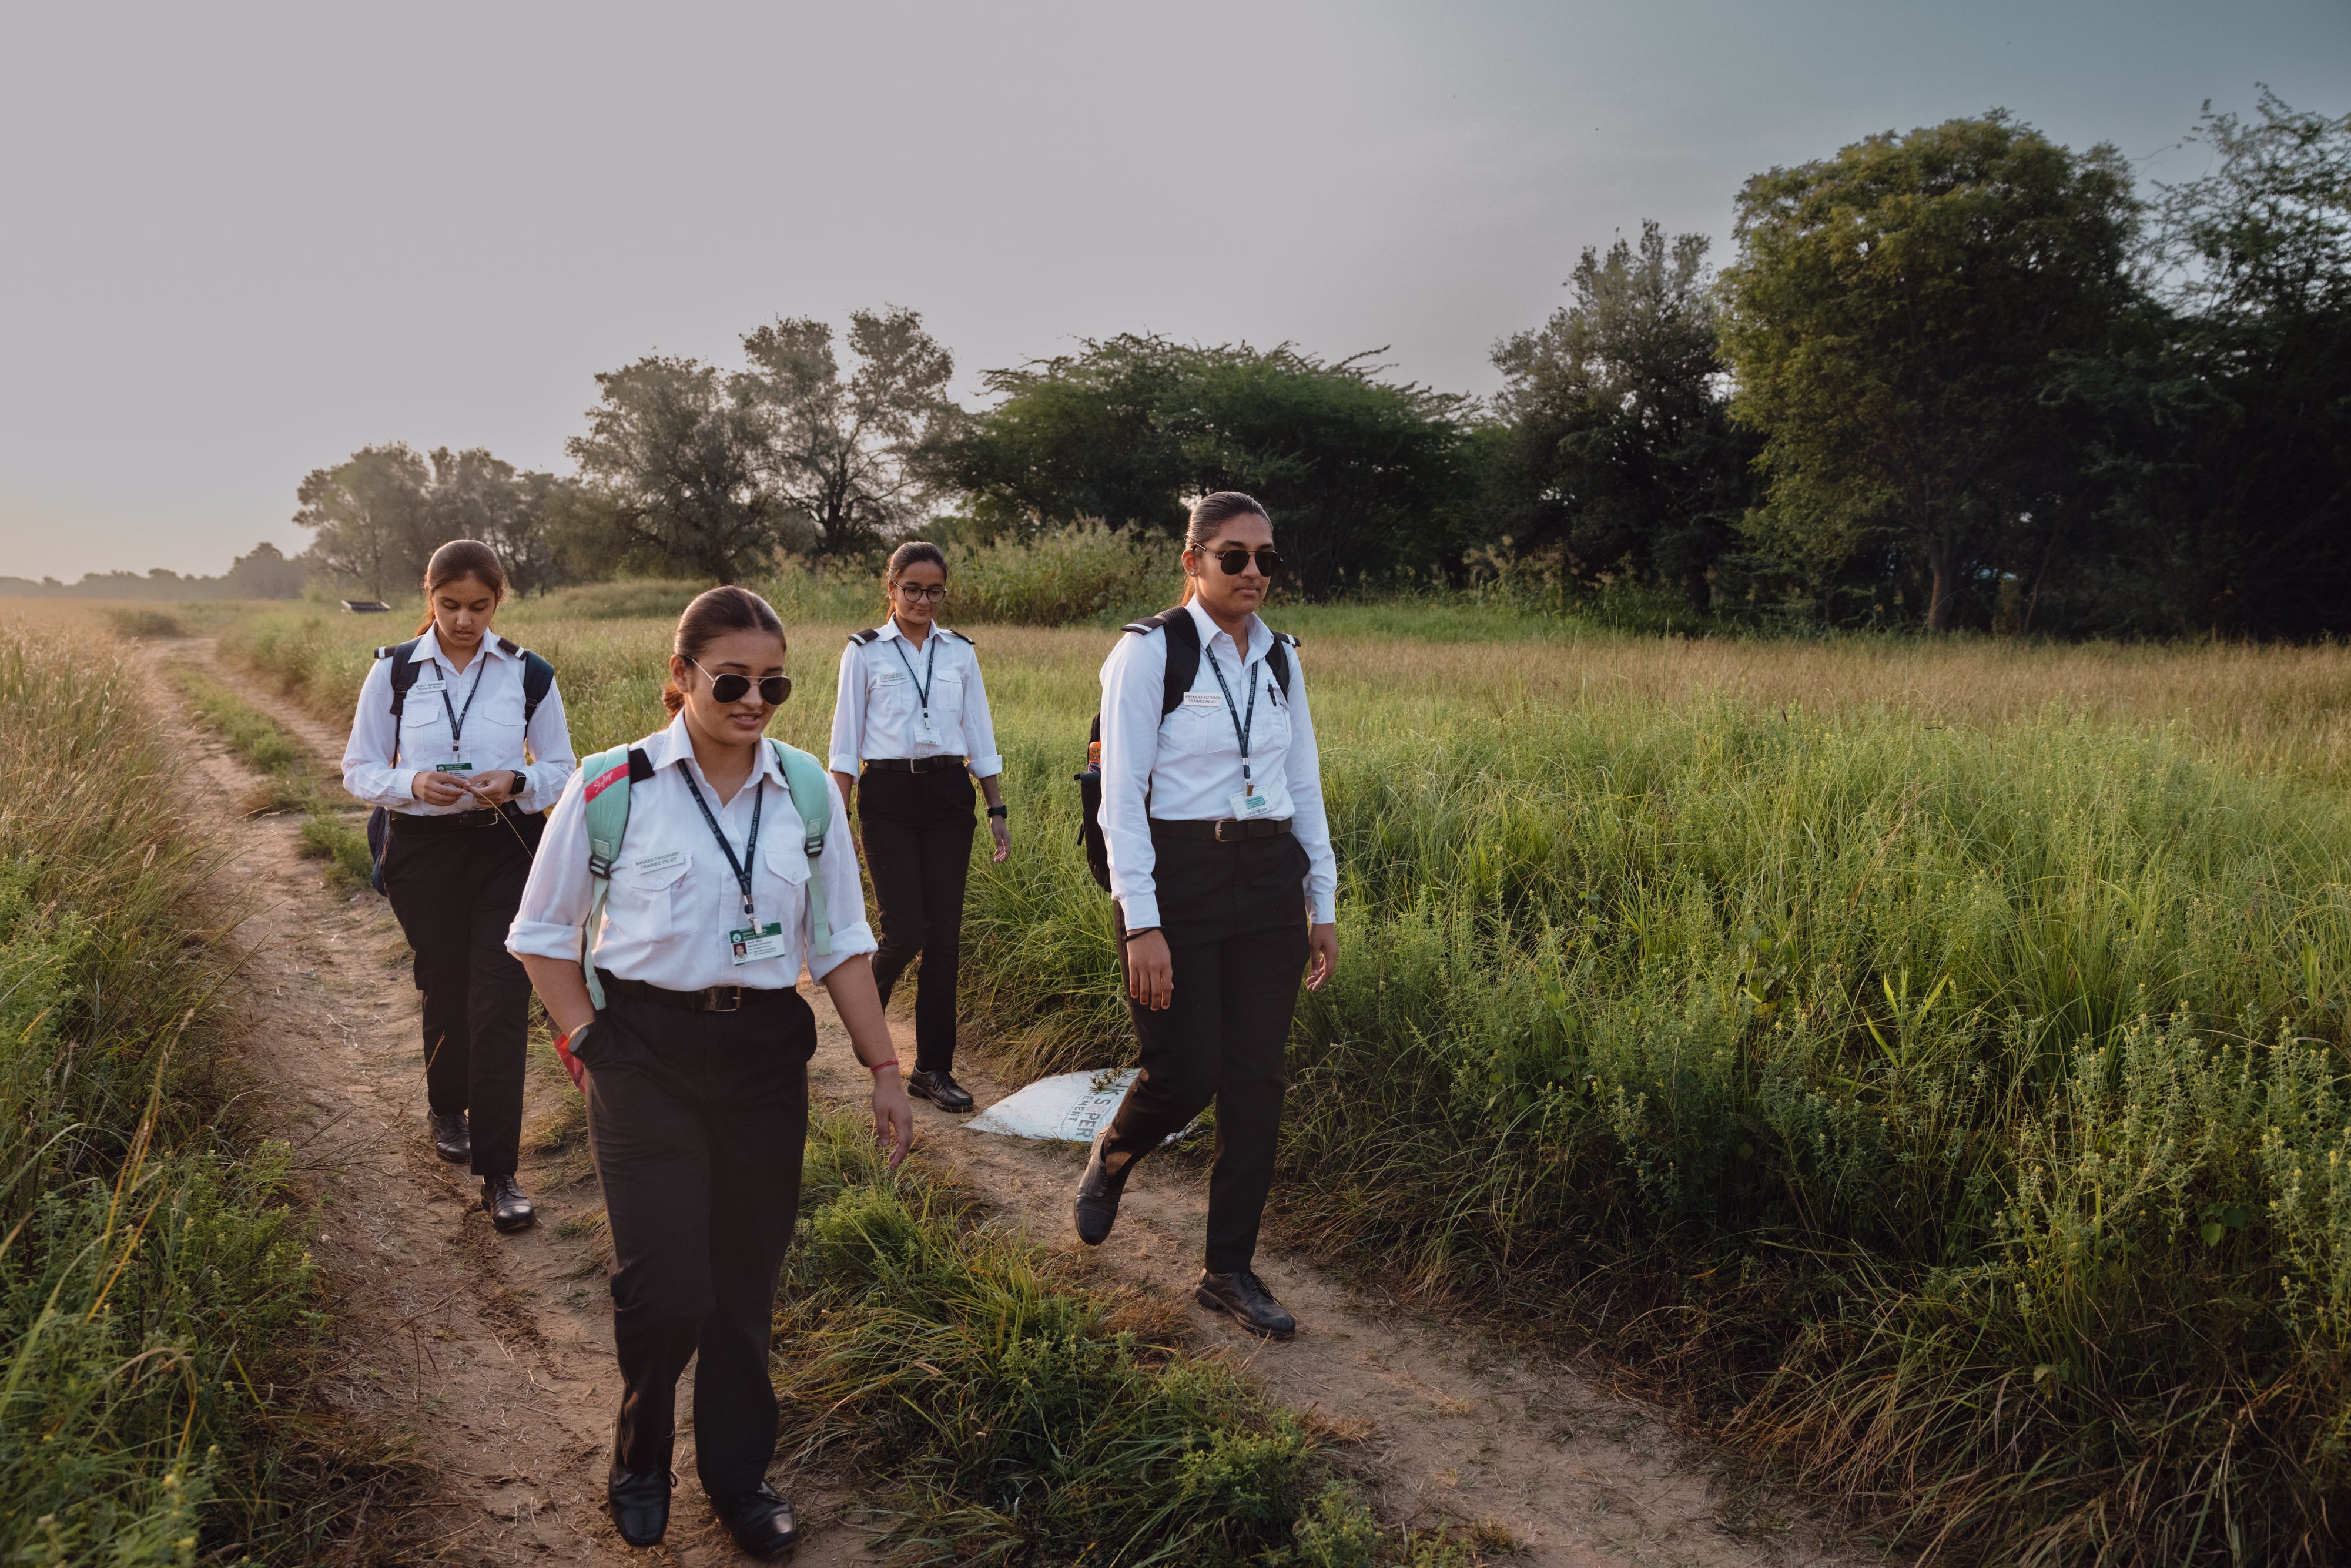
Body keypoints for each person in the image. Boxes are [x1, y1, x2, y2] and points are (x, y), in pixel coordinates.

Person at [507, 585, 914, 1556]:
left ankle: (738, 1476)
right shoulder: (612, 785)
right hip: (641, 1047)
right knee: (667, 1285)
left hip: (766, 1053)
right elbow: (541, 936)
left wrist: (885, 1065)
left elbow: (844, 943)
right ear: (680, 676)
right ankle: (641, 1448)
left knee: (742, 1285)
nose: (754, 700)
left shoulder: (807, 788)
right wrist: (589, 1044)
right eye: (732, 680)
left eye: (774, 682)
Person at [1070, 492, 1338, 1341]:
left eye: (1266, 557)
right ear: (1193, 563)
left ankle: (1227, 1271)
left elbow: (1303, 785)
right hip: (1176, 880)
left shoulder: (1281, 658)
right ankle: (1113, 1156)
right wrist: (1141, 922)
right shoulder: (1149, 654)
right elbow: (1120, 803)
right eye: (1234, 557)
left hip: (1265, 877)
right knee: (1184, 1071)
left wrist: (1319, 899)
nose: (1254, 572)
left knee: (1256, 1082)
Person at [342, 539, 575, 1235]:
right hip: (421, 850)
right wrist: (410, 783)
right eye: (450, 606)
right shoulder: (393, 672)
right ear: (429, 597)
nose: (464, 620)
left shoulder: (529, 674)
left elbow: (562, 766)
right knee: (444, 986)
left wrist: (520, 781)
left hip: (506, 845)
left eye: (479, 607)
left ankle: (500, 1172)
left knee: (499, 1000)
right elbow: (357, 769)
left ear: (498, 601)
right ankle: (448, 1105)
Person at [828, 541, 1010, 1114]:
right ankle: (862, 1020)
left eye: (934, 590)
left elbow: (978, 732)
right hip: (886, 794)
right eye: (912, 589)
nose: (923, 600)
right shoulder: (863, 652)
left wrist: (996, 808)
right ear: (891, 589)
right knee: (904, 931)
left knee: (945, 941)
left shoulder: (959, 652)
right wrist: (839, 825)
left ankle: (932, 1068)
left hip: (949, 795)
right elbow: (843, 745)